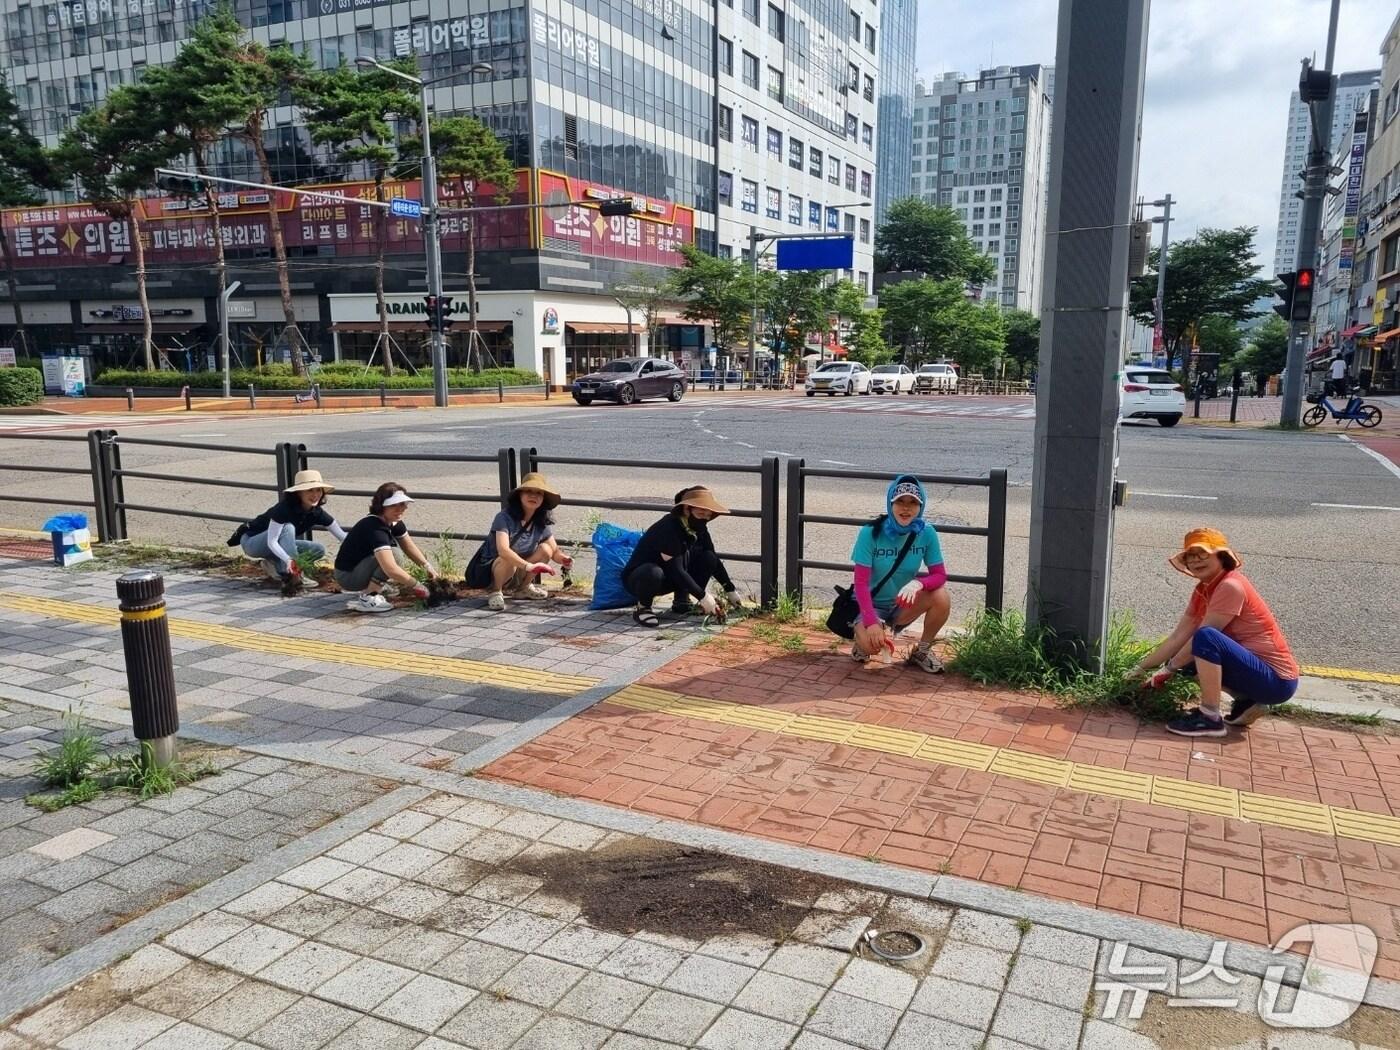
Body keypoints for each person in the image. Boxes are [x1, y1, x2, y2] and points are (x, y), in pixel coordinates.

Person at [1131, 527, 1298, 737]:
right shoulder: (1203, 589)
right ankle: (1246, 700)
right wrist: (1138, 670)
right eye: (1190, 557)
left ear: (1221, 556)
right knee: (1186, 654)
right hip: (1255, 674)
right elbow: (1178, 637)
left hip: (1277, 681)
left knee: (1205, 638)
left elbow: (1205, 637)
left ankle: (1210, 717)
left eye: (1202, 554)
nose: (1195, 561)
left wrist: (1167, 670)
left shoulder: (1231, 586)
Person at [847, 474, 951, 674]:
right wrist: (871, 622)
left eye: (913, 502)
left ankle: (922, 651)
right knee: (872, 646)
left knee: (941, 596)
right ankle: (862, 641)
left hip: (901, 603)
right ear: (890, 503)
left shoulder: (926, 533)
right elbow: (860, 583)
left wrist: (918, 584)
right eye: (900, 501)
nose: (906, 508)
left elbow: (939, 575)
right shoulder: (870, 533)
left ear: (921, 506)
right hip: (871, 605)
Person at [623, 485, 743, 628]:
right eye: (700, 514)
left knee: (708, 557)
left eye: (708, 515)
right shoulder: (668, 528)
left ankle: (682, 601)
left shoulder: (699, 528)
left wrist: (730, 589)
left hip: (672, 576)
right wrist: (703, 596)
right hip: (643, 578)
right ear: (687, 510)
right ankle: (643, 607)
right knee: (653, 572)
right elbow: (675, 569)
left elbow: (714, 559)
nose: (704, 519)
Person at [465, 472, 574, 611]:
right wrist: (529, 566)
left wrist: (565, 559)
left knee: (546, 549)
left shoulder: (540, 522)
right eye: (528, 491)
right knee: (507, 558)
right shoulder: (504, 517)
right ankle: (495, 591)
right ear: (520, 495)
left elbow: (554, 551)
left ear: (543, 499)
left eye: (539, 493)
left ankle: (523, 589)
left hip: (520, 568)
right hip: (495, 571)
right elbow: (503, 550)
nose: (533, 496)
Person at [229, 469, 345, 590]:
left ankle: (273, 565)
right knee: (287, 527)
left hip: (274, 544)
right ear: (299, 492)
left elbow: (342, 535)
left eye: (318, 490)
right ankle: (295, 575)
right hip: (252, 542)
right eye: (310, 490)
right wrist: (288, 559)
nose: (315, 495)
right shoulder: (283, 509)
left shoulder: (317, 512)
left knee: (317, 549)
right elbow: (272, 541)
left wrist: (362, 545)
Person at [333, 482, 439, 613]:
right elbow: (390, 568)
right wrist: (417, 586)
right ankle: (368, 598)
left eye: (403, 504)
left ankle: (375, 587)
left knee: (395, 553)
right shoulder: (375, 527)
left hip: (358, 568)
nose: (400, 509)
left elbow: (409, 547)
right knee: (395, 555)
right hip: (348, 577)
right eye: (393, 505)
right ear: (381, 506)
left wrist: (428, 567)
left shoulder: (393, 521)